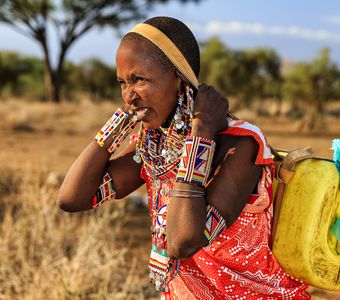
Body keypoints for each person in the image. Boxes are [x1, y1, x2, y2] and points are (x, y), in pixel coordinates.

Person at [57, 16, 310, 299]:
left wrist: (201, 132)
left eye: (139, 79)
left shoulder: (240, 145)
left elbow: (182, 241)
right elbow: (72, 198)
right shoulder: (153, 146)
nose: (128, 95)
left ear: (178, 77)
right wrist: (120, 122)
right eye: (122, 82)